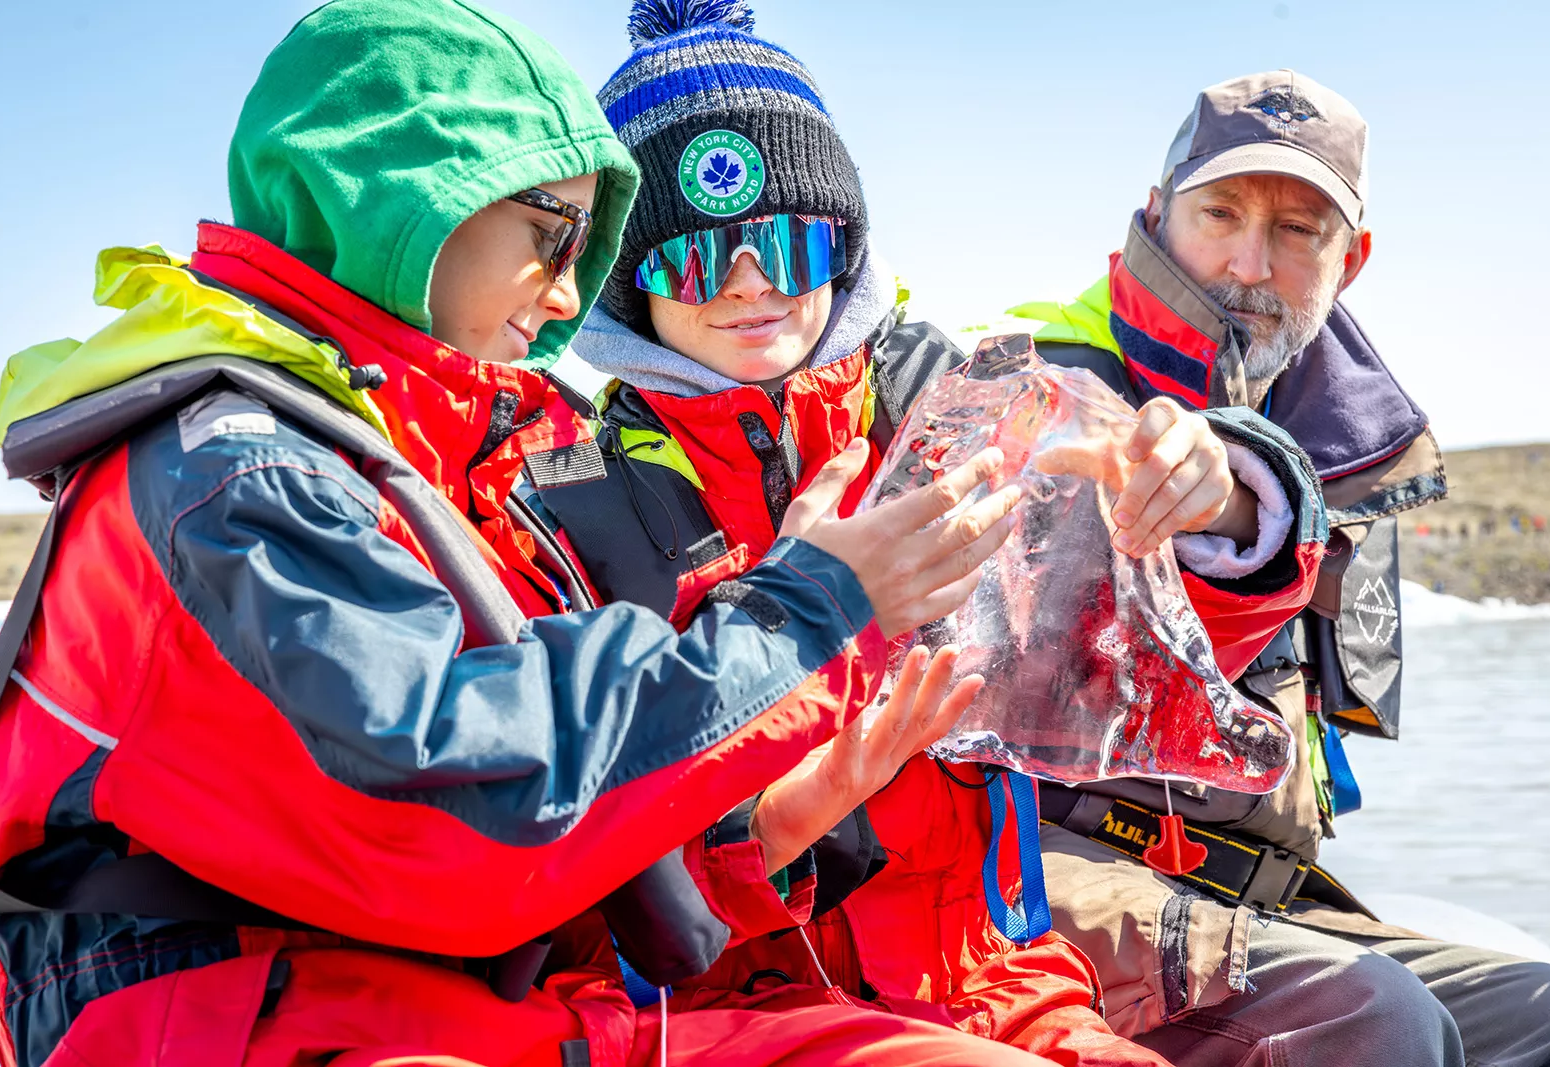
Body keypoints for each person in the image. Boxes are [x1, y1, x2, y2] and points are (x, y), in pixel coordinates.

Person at [0, 3, 1031, 1065]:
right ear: (413, 201)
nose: (571, 290)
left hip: (442, 994)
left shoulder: (427, 462)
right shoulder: (243, 474)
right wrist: (808, 611)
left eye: (587, 248)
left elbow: (534, 860)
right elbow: (457, 814)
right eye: (553, 233)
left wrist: (765, 831)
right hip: (232, 1014)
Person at [530, 6, 1327, 1064]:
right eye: (693, 258)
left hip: (995, 977)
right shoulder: (559, 498)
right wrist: (796, 779)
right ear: (628, 280)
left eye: (788, 239)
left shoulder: (962, 406)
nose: (751, 285)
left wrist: (1210, 506)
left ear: (843, 242)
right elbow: (573, 865)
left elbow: (1138, 663)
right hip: (731, 1007)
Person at [989, 69, 1550, 1066]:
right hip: (1035, 878)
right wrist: (1217, 506)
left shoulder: (1345, 439)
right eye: (1220, 213)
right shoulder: (1029, 385)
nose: (1250, 263)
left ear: (1353, 257)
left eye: (1299, 231)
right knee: (1376, 1019)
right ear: (1157, 215)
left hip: (1255, 895)